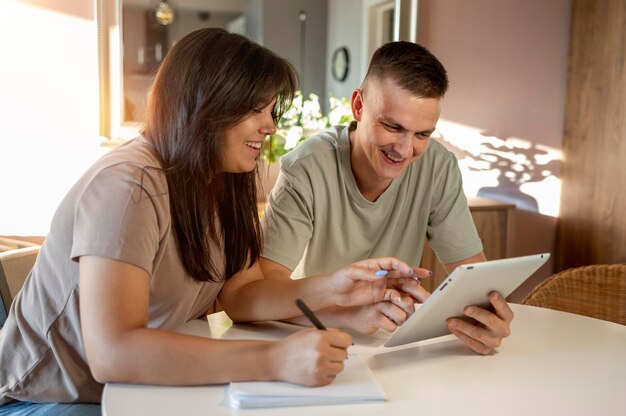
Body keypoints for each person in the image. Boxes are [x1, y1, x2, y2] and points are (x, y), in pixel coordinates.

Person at [0, 29, 417, 415]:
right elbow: (115, 353)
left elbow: (241, 295)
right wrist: (275, 360)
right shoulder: (128, 185)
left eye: (271, 111)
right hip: (47, 399)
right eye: (258, 109)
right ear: (206, 104)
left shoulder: (217, 182)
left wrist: (338, 294)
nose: (270, 126)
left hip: (131, 388)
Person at [260, 41, 514, 354]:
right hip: (309, 339)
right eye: (393, 127)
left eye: (423, 134)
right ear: (358, 106)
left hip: (391, 345)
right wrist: (348, 314)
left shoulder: (437, 166)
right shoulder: (306, 168)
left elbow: (473, 278)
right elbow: (265, 290)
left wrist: (486, 319)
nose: (406, 150)